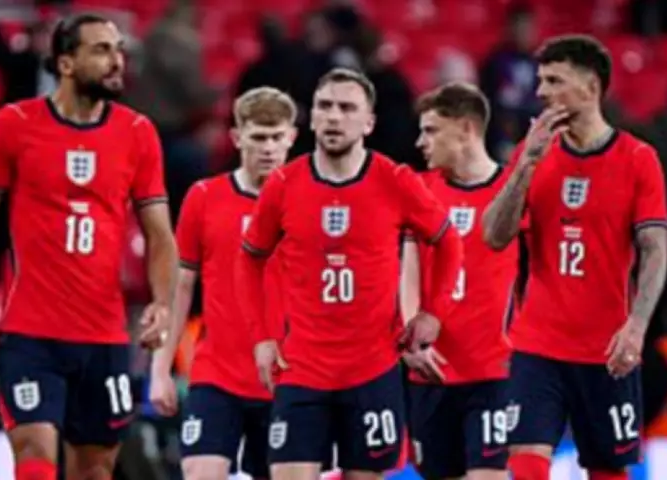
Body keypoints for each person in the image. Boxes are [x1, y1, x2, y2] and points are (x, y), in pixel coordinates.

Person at [0, 14, 178, 480]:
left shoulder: (137, 133)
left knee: (94, 471)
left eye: (118, 50)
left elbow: (159, 233)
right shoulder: (14, 125)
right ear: (66, 63)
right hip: (30, 334)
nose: (117, 61)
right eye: (101, 50)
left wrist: (162, 302)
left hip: (104, 338)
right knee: (34, 452)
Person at [235, 67, 464, 480]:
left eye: (346, 108)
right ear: (311, 118)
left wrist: (434, 312)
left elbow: (448, 241)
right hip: (302, 369)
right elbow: (249, 259)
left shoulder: (395, 180)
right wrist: (261, 338)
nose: (334, 117)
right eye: (324, 106)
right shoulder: (284, 183)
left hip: (372, 370)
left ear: (369, 122)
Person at [481, 35, 667, 480]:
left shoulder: (638, 159)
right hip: (535, 344)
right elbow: (493, 235)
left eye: (554, 81)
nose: (541, 91)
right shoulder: (534, 152)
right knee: (525, 462)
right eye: (541, 80)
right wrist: (525, 165)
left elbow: (654, 249)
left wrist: (636, 327)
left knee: (608, 469)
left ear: (590, 87)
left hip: (606, 348)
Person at [148, 86, 297, 480]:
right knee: (200, 472)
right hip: (217, 375)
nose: (268, 148)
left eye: (276, 137)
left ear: (292, 138)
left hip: (288, 380)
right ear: (236, 137)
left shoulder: (308, 203)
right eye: (259, 137)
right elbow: (180, 288)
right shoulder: (205, 197)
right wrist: (160, 369)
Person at [401, 83, 517, 480]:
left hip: (493, 372)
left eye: (431, 130)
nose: (420, 142)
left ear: (466, 129)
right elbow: (408, 270)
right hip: (430, 370)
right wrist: (410, 340)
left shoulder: (511, 193)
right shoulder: (418, 190)